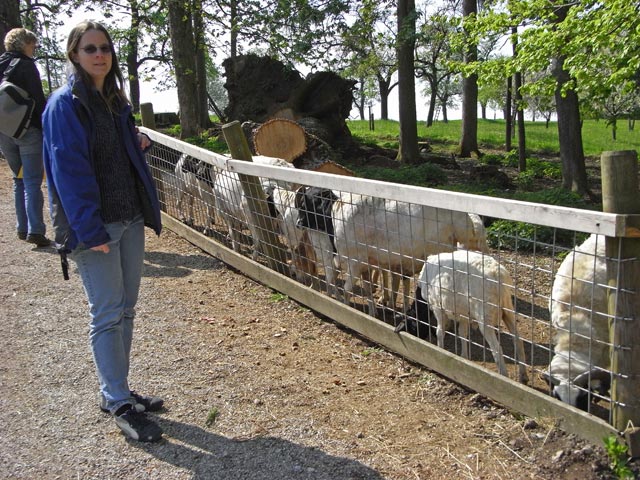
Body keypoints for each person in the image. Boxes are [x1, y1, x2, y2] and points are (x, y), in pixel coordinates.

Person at [42, 21, 164, 443]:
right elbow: (68, 171)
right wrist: (89, 229)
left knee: (125, 309)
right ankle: (117, 402)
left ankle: (118, 390)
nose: (100, 55)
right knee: (107, 312)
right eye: (90, 48)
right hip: (96, 227)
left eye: (105, 48)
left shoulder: (113, 100)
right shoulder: (65, 104)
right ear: (74, 54)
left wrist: (137, 139)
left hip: (129, 218)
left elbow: (114, 149)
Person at [0, 28, 50, 247]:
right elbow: (38, 100)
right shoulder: (27, 65)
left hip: (4, 131)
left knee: (18, 179)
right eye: (33, 45)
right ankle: (36, 230)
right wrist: (46, 129)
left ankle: (22, 227)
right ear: (25, 44)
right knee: (31, 181)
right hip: (28, 131)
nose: (34, 49)